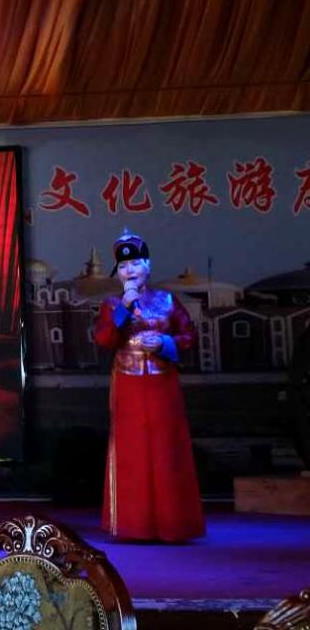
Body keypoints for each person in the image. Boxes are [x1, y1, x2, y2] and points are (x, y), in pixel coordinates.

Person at [94, 229, 205, 542]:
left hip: (161, 382)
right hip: (128, 383)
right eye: (123, 266)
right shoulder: (112, 304)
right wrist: (124, 308)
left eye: (136, 264)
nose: (130, 271)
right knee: (133, 451)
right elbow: (105, 339)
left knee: (166, 449)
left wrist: (165, 342)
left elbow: (188, 336)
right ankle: (134, 525)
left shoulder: (167, 300)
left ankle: (172, 524)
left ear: (148, 266)